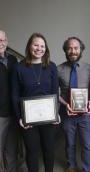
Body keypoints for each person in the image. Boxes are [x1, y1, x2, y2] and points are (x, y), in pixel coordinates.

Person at [12, 33, 60, 172]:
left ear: (46, 49)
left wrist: (56, 112)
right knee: (32, 151)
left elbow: (55, 92)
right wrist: (19, 117)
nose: (39, 48)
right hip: (28, 118)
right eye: (36, 45)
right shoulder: (18, 67)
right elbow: (15, 94)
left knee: (49, 150)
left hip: (49, 117)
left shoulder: (51, 67)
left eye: (42, 46)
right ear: (29, 46)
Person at [58, 37, 90, 172]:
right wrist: (64, 103)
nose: (73, 51)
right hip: (67, 113)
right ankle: (71, 166)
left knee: (87, 144)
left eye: (76, 48)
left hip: (86, 114)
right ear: (65, 50)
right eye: (69, 48)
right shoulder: (59, 69)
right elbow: (54, 93)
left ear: (81, 50)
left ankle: (87, 169)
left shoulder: (89, 69)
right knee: (69, 143)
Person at [0, 30, 19, 172]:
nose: (0, 43)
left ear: (7, 42)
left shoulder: (13, 60)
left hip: (13, 112)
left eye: (2, 40)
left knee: (11, 149)